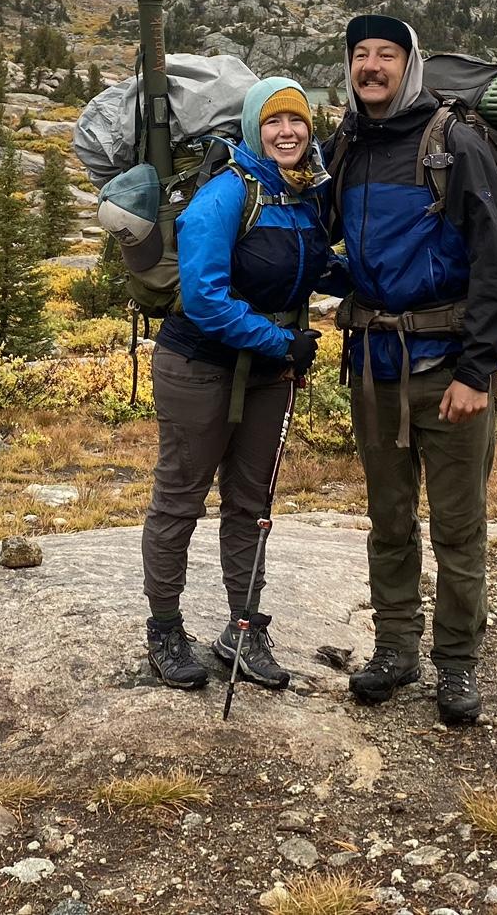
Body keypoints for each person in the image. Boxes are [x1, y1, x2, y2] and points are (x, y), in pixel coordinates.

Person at [324, 14, 497, 725]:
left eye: (386, 54)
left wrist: (477, 372)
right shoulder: (346, 143)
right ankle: (395, 651)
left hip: (447, 369)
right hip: (374, 369)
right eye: (360, 55)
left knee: (458, 530)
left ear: (411, 66)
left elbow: (495, 270)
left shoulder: (452, 143)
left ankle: (458, 667)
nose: (371, 66)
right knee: (389, 521)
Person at [141, 76, 330, 692]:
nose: (287, 132)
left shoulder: (303, 195)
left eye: (297, 121)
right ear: (253, 127)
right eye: (274, 121)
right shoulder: (226, 195)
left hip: (270, 374)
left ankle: (243, 630)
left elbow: (317, 267)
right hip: (200, 367)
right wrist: (281, 342)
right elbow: (203, 299)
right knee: (180, 500)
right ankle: (165, 630)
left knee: (252, 507)